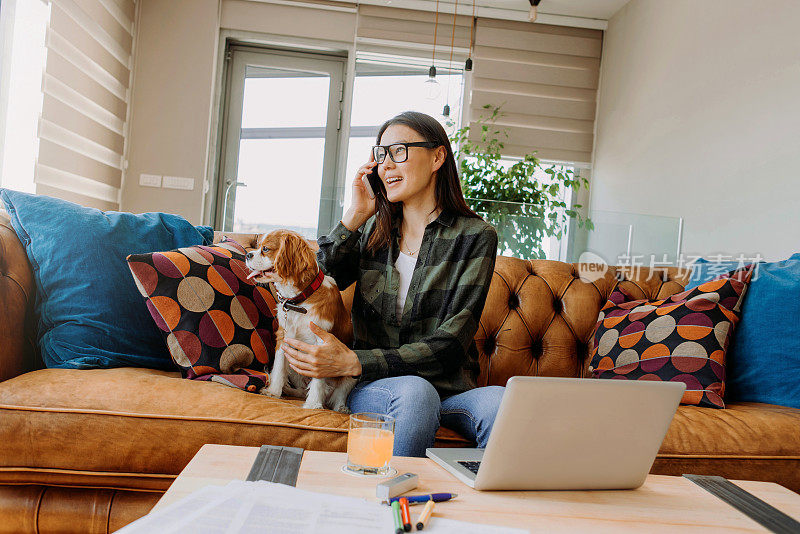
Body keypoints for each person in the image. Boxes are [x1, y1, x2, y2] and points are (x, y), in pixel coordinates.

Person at [280, 110, 502, 457]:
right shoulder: (372, 230)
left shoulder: (476, 237)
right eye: (380, 154)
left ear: (437, 157)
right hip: (376, 385)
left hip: (448, 388)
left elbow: (452, 340)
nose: (385, 164)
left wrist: (355, 360)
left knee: (503, 403)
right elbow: (320, 278)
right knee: (415, 393)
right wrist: (355, 215)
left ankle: (480, 512)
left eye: (398, 151)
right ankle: (392, 507)